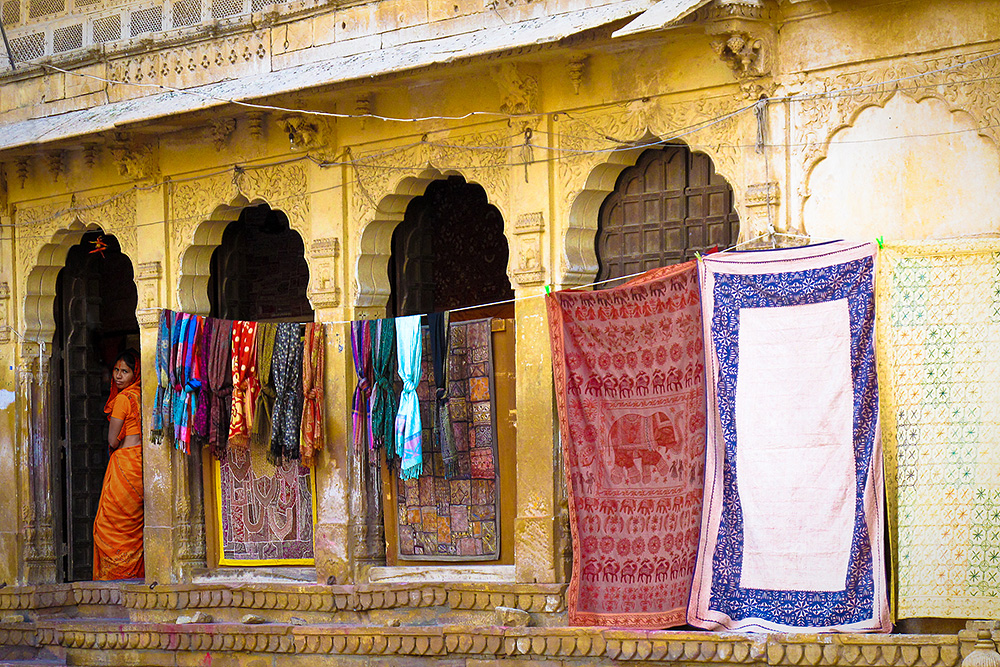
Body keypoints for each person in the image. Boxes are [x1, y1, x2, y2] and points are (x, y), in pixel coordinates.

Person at [93, 348, 145, 580]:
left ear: (135, 374)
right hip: (141, 463)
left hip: (124, 463)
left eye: (125, 371)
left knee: (108, 525)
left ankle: (114, 576)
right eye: (116, 370)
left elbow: (112, 440)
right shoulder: (144, 394)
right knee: (132, 526)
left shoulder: (123, 399)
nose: (118, 376)